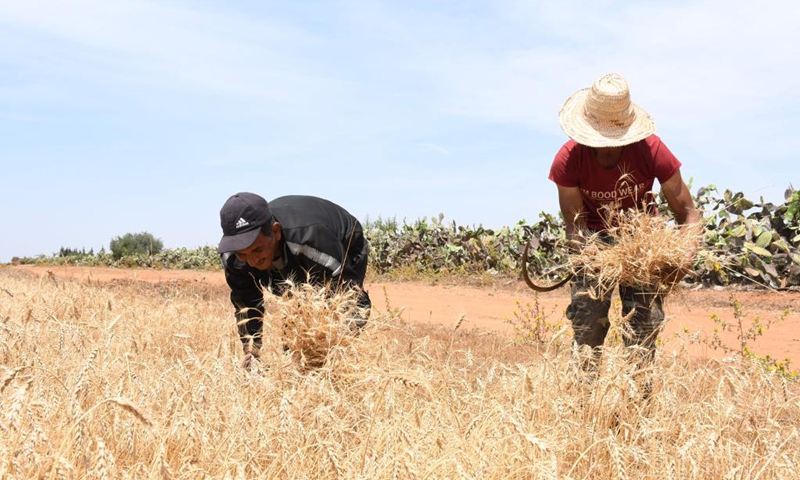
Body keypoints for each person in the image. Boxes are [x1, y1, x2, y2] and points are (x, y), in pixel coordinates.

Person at [548, 73, 701, 373]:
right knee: (588, 326)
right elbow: (575, 226)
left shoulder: (652, 151)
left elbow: (689, 214)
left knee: (642, 329)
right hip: (593, 240)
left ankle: (638, 406)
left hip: (641, 240)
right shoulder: (567, 161)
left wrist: (684, 256)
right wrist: (591, 257)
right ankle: (585, 406)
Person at [217, 193, 371, 367]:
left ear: (275, 232)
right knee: (293, 320)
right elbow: (246, 303)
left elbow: (353, 299)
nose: (251, 261)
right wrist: (252, 353)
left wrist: (331, 353)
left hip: (341, 243)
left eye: (257, 250)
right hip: (289, 250)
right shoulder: (233, 257)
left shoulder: (311, 241)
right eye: (242, 253)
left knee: (328, 315)